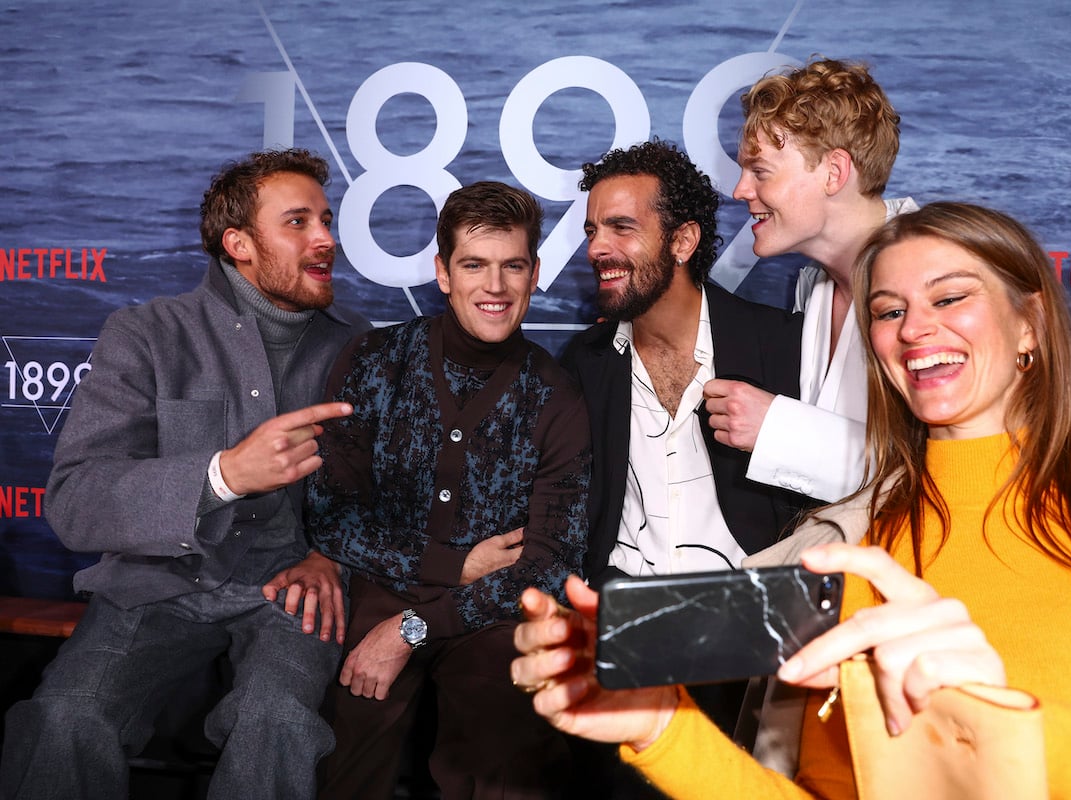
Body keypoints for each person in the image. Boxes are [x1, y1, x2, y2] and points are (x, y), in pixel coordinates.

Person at [511, 202, 1071, 799]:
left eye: (950, 297)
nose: (914, 329)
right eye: (889, 310)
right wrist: (662, 728)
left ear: (1031, 324)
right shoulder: (846, 559)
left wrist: (1002, 728)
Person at [0, 148, 372, 799]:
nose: (325, 239)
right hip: (156, 582)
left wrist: (328, 559)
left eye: (326, 218)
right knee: (64, 720)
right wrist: (223, 474)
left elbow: (382, 493)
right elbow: (76, 501)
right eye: (298, 222)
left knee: (276, 722)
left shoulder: (361, 346)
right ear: (239, 244)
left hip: (289, 589)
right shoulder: (145, 334)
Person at [306, 181, 590, 800]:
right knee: (347, 756)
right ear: (442, 272)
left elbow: (546, 565)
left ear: (535, 273)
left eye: (512, 266)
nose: (495, 286)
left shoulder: (556, 395)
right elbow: (331, 517)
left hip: (493, 609)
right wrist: (451, 565)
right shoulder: (377, 359)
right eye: (474, 265)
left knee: (504, 754)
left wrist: (413, 628)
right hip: (381, 588)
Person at [564, 138, 803, 587]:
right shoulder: (585, 363)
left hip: (750, 612)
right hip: (622, 612)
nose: (597, 248)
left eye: (621, 227)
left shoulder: (780, 344)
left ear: (683, 241)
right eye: (592, 231)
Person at [704, 58, 917, 503]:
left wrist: (778, 429)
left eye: (760, 171)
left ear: (834, 173)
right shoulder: (815, 285)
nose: (740, 191)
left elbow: (949, 467)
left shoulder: (937, 281)